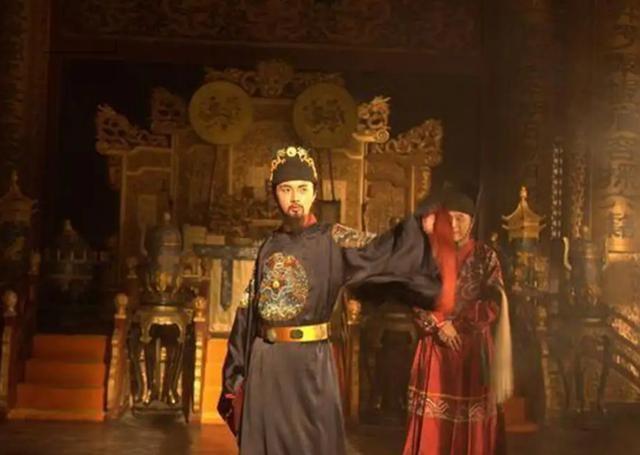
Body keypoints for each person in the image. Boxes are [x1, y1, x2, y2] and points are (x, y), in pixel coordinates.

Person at [218, 146, 443, 455]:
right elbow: (247, 311)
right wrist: (236, 370)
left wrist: (418, 228)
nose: (294, 197)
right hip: (267, 362)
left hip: (310, 363)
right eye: (285, 189)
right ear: (274, 194)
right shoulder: (269, 246)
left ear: (314, 193)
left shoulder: (332, 239)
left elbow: (380, 251)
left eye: (302, 189)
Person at [403, 186, 513, 455]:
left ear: (472, 222)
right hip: (435, 347)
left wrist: (459, 324)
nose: (453, 224)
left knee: (471, 416)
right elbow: (415, 295)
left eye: (460, 218)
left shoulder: (486, 256)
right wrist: (439, 324)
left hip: (472, 347)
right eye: (448, 218)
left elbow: (494, 302)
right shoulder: (428, 255)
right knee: (434, 424)